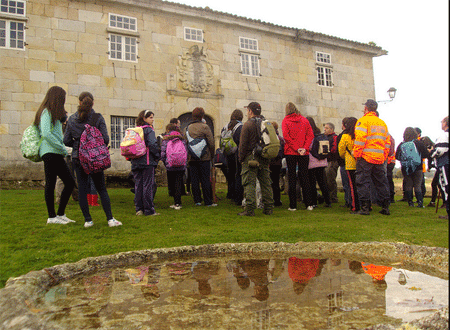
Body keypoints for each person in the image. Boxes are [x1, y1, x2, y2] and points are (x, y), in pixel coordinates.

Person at [64, 91, 122, 227]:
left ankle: (88, 220)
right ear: (93, 102)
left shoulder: (72, 119)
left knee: (82, 189)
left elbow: (66, 140)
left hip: (78, 157)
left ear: (79, 102)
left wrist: (79, 145)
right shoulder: (97, 117)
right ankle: (110, 219)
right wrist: (92, 145)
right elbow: (106, 138)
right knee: (101, 188)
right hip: (95, 158)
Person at [34, 86, 75, 224]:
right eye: (63, 98)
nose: (64, 100)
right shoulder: (46, 112)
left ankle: (58, 215)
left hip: (54, 152)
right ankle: (53, 216)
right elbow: (46, 134)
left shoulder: (54, 113)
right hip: (51, 152)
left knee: (60, 183)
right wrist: (63, 148)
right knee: (62, 182)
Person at [353, 99, 391, 215]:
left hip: (365, 157)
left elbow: (360, 140)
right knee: (381, 182)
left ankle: (365, 208)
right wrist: (383, 155)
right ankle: (385, 207)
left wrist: (357, 155)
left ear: (366, 108)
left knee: (363, 182)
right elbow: (387, 142)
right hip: (379, 157)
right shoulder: (382, 123)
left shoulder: (363, 121)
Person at [238, 101, 274, 216]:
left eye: (247, 111)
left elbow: (242, 145)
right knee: (266, 183)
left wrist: (241, 158)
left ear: (250, 111)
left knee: (249, 183)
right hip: (264, 156)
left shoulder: (248, 125)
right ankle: (268, 208)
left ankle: (249, 209)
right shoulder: (265, 123)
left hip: (250, 157)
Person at [281, 102, 314, 211]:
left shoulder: (285, 121)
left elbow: (286, 136)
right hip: (303, 152)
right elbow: (310, 135)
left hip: (291, 152)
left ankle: (293, 205)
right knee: (304, 177)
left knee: (291, 178)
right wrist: (304, 147)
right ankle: (309, 204)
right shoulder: (304, 120)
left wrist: (296, 148)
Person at [185, 107, 216, 206]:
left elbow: (186, 143)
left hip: (192, 158)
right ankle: (208, 201)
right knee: (205, 179)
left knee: (194, 180)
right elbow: (211, 142)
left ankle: (197, 200)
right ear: (202, 116)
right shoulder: (205, 127)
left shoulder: (188, 128)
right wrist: (211, 154)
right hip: (205, 157)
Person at [131, 110, 160, 216]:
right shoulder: (148, 130)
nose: (152, 120)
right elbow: (152, 144)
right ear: (144, 118)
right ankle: (149, 210)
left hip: (135, 161)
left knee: (138, 185)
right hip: (147, 161)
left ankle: (139, 209)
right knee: (148, 185)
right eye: (150, 117)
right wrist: (157, 156)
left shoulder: (136, 130)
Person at [161, 123, 187, 210]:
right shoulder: (182, 138)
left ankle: (175, 202)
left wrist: (165, 162)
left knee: (172, 183)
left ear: (168, 130)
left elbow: (163, 153)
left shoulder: (166, 139)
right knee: (178, 183)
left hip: (170, 164)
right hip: (180, 164)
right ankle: (178, 203)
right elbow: (185, 151)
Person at [306, 116, 331, 208]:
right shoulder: (319, 134)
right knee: (323, 182)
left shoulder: (309, 134)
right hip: (322, 161)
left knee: (312, 183)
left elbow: (309, 147)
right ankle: (328, 201)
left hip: (312, 162)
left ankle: (314, 202)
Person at [220, 109, 244, 201]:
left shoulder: (225, 127)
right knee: (238, 174)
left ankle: (230, 193)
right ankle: (237, 196)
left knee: (230, 174)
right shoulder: (240, 127)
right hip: (236, 153)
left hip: (228, 153)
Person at [338, 116, 360, 212]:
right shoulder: (360, 136)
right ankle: (366, 204)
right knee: (363, 185)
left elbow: (341, 152)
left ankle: (355, 206)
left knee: (353, 186)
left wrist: (346, 156)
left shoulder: (345, 136)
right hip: (361, 163)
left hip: (350, 164)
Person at [429, 116, 449, 219]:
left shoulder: (444, 136)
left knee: (446, 187)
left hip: (445, 163)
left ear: (445, 123)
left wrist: (431, 152)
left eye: (442, 122)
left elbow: (440, 150)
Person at [269, 121, 284, 207]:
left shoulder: (270, 138)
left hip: (271, 162)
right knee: (276, 182)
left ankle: (271, 200)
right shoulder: (280, 138)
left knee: (271, 182)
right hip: (278, 163)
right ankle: (277, 200)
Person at [323, 122, 339, 203]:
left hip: (332, 160)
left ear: (331, 129)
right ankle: (328, 196)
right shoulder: (324, 137)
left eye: (327, 128)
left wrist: (327, 151)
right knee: (326, 178)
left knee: (330, 179)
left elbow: (334, 149)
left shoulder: (334, 137)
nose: (325, 129)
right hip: (326, 160)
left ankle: (333, 197)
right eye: (325, 128)